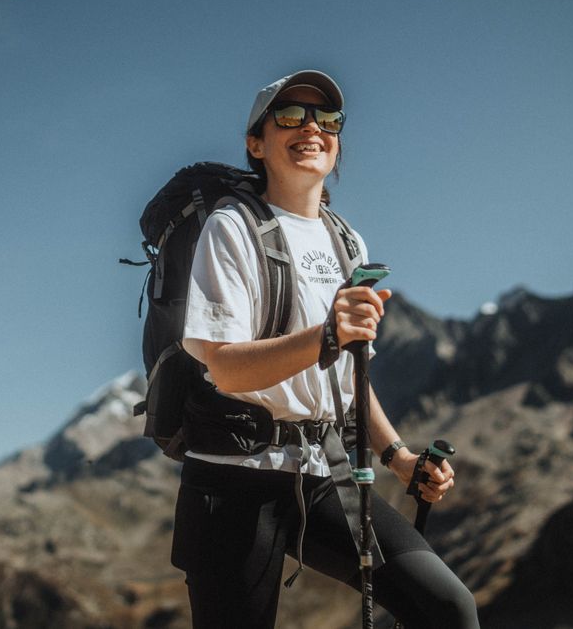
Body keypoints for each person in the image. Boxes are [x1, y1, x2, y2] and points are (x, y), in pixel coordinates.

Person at [172, 70, 481, 628]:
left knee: (449, 607)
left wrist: (398, 457)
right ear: (255, 143)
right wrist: (325, 336)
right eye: (289, 115)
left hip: (322, 473)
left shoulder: (347, 240)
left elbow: (350, 375)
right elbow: (225, 369)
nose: (311, 127)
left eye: (327, 119)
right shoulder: (231, 228)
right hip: (233, 479)